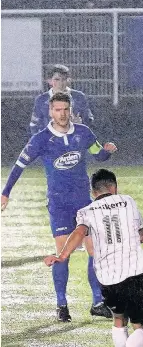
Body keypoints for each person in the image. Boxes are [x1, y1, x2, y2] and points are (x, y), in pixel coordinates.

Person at [1, 93, 117, 322]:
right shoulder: (41, 139)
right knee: (63, 254)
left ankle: (97, 301)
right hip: (59, 204)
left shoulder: (83, 132)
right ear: (50, 112)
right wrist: (5, 193)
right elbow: (19, 165)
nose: (62, 114)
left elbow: (99, 155)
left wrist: (108, 150)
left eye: (65, 109)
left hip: (84, 202)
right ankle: (62, 304)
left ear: (71, 110)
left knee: (95, 250)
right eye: (57, 110)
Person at [44, 168, 143, 347]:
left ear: (93, 192)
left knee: (119, 319)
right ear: (114, 187)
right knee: (142, 328)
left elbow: (79, 233)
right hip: (132, 273)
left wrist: (62, 255)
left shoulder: (86, 211)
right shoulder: (128, 201)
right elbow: (141, 235)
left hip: (107, 278)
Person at [30, 64, 94, 136]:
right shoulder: (41, 100)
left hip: (74, 140)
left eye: (64, 79)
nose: (60, 83)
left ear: (68, 80)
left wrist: (80, 124)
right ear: (49, 81)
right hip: (51, 142)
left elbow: (89, 120)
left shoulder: (78, 97)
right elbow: (34, 125)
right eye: (57, 79)